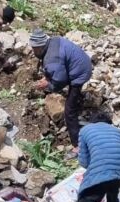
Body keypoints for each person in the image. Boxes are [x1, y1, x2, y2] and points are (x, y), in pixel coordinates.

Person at [29, 29, 93, 158]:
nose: (33, 52)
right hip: (82, 63)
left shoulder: (51, 58)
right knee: (67, 90)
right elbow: (57, 67)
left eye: (35, 49)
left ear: (40, 46)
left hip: (80, 73)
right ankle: (78, 100)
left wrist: (48, 85)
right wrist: (48, 78)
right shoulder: (52, 42)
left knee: (69, 112)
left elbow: (60, 81)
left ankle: (77, 146)